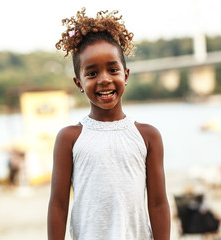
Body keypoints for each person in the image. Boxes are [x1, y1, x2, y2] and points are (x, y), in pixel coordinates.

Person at [47, 8, 170, 240]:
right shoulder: (69, 138)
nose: (104, 79)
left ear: (126, 75)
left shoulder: (147, 136)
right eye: (92, 73)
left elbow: (158, 203)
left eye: (113, 70)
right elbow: (58, 205)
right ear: (79, 82)